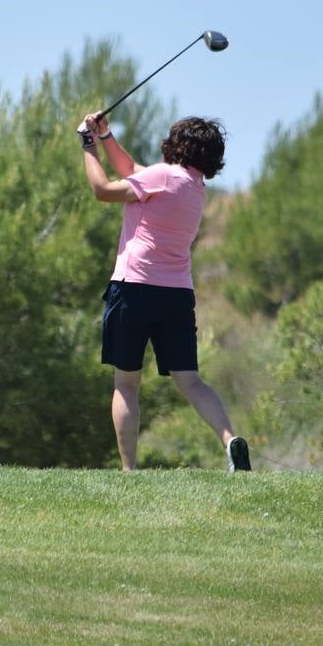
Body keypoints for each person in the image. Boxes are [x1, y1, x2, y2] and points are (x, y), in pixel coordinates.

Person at [79, 112, 251, 472]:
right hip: (176, 296)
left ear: (178, 144)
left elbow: (102, 190)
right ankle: (230, 440)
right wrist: (107, 135)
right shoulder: (193, 186)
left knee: (126, 383)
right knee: (190, 380)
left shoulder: (161, 175)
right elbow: (132, 170)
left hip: (133, 289)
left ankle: (129, 472)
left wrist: (88, 145)